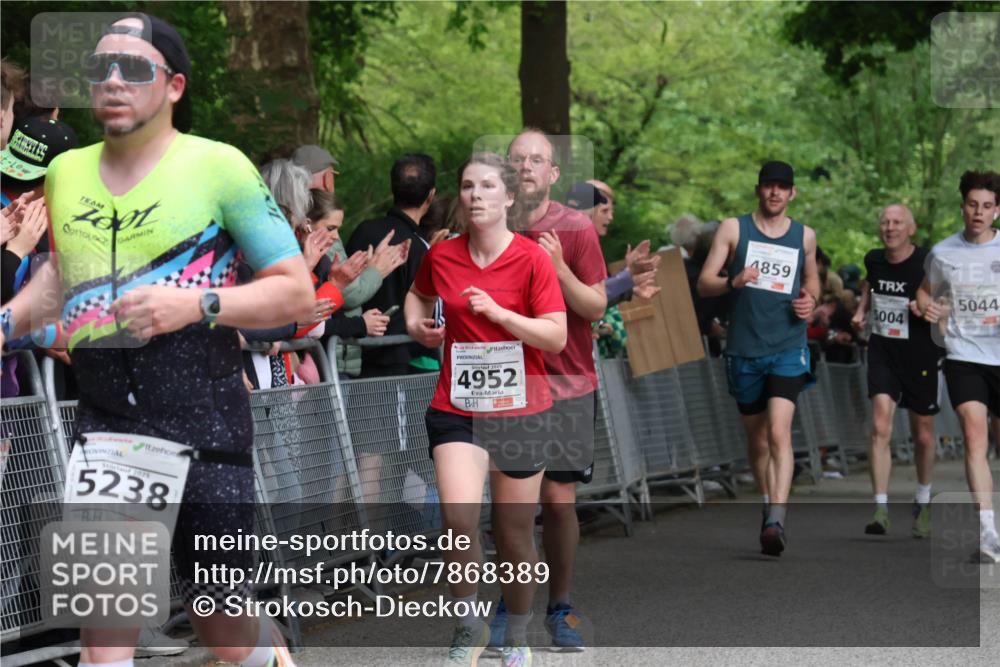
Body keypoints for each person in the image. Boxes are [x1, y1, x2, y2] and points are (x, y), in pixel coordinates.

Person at [0, 14, 316, 667]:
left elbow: (296, 292)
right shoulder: (65, 172)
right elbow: (64, 277)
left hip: (205, 420)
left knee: (219, 618)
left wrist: (196, 303)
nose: (113, 81)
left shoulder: (218, 165)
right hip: (108, 429)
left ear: (172, 85)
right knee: (104, 635)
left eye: (134, 68)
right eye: (100, 69)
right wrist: (12, 320)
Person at [405, 151, 566, 667]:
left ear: (509, 197)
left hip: (521, 411)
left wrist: (500, 313)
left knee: (514, 532)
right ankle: (469, 624)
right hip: (457, 405)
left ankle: (516, 633)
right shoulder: (443, 254)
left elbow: (557, 336)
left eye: (488, 187)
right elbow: (416, 295)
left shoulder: (532, 259)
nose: (476, 196)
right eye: (469, 187)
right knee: (458, 519)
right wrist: (417, 327)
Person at [487, 129, 607, 653]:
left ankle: (560, 605)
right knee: (512, 508)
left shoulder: (576, 228)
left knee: (558, 502)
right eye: (519, 159)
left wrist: (559, 269)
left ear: (553, 174)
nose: (528, 166)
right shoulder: (490, 223)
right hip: (509, 383)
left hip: (568, 383)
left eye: (538, 159)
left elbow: (596, 307)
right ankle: (508, 607)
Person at [697, 160, 820, 557]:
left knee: (779, 432)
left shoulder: (805, 236)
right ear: (759, 190)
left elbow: (812, 278)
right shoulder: (734, 229)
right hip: (744, 349)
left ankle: (776, 519)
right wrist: (733, 281)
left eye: (783, 187)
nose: (775, 193)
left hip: (788, 345)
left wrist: (810, 300)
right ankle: (769, 500)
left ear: (792, 193)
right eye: (769, 186)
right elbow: (704, 283)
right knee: (757, 437)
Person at [916, 169, 1000, 563]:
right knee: (974, 435)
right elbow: (924, 292)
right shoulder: (943, 252)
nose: (978, 212)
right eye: (972, 205)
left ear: (997, 210)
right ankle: (987, 534)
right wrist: (927, 307)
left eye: (986, 206)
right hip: (964, 355)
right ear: (962, 206)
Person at [851, 204, 942, 537]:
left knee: (923, 434)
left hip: (919, 353)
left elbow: (944, 302)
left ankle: (922, 499)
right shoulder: (874, 259)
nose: (890, 227)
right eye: (885, 222)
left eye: (897, 222)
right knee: (879, 424)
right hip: (883, 350)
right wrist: (862, 310)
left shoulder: (927, 262)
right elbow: (869, 286)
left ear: (911, 229)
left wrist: (926, 308)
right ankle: (880, 507)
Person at [346, 153, 436, 377]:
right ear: (431, 196)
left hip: (354, 356)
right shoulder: (419, 247)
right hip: (401, 361)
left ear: (392, 190)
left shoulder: (363, 231)